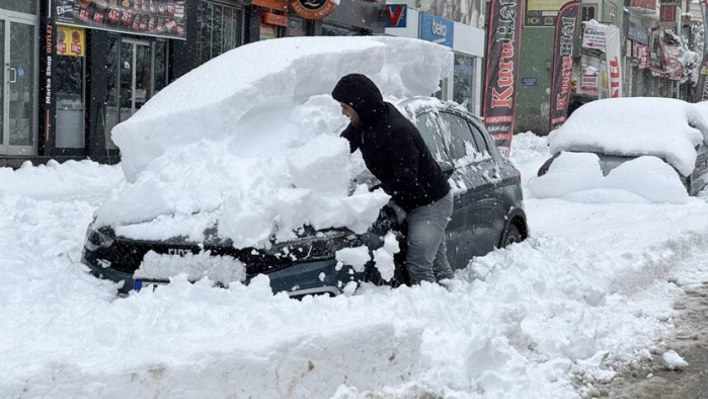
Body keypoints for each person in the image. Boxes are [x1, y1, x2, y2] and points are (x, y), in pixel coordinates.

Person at [331, 73, 454, 285]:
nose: (343, 112)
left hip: (429, 203)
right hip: (410, 200)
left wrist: (366, 194)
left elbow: (406, 181)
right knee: (437, 263)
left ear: (359, 104)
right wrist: (315, 174)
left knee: (419, 264)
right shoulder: (364, 121)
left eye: (345, 106)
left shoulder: (397, 131)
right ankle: (449, 302)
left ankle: (430, 313)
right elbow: (339, 151)